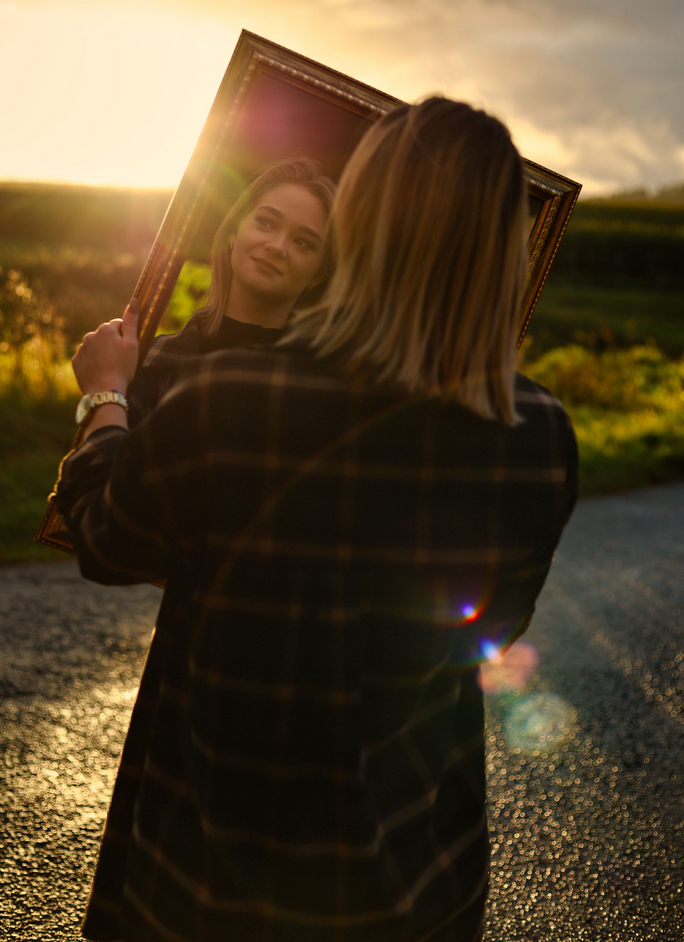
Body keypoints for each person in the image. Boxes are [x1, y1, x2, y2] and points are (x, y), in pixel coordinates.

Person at [55, 97, 578, 942]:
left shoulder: (227, 399)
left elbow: (108, 540)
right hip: (412, 879)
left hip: (206, 876)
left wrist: (105, 397)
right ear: (501, 252)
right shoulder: (539, 434)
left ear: (355, 231)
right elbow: (495, 628)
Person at [128, 157, 336, 424]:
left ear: (318, 274)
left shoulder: (320, 389)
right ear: (234, 232)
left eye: (303, 242)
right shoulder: (154, 358)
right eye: (266, 223)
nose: (277, 246)